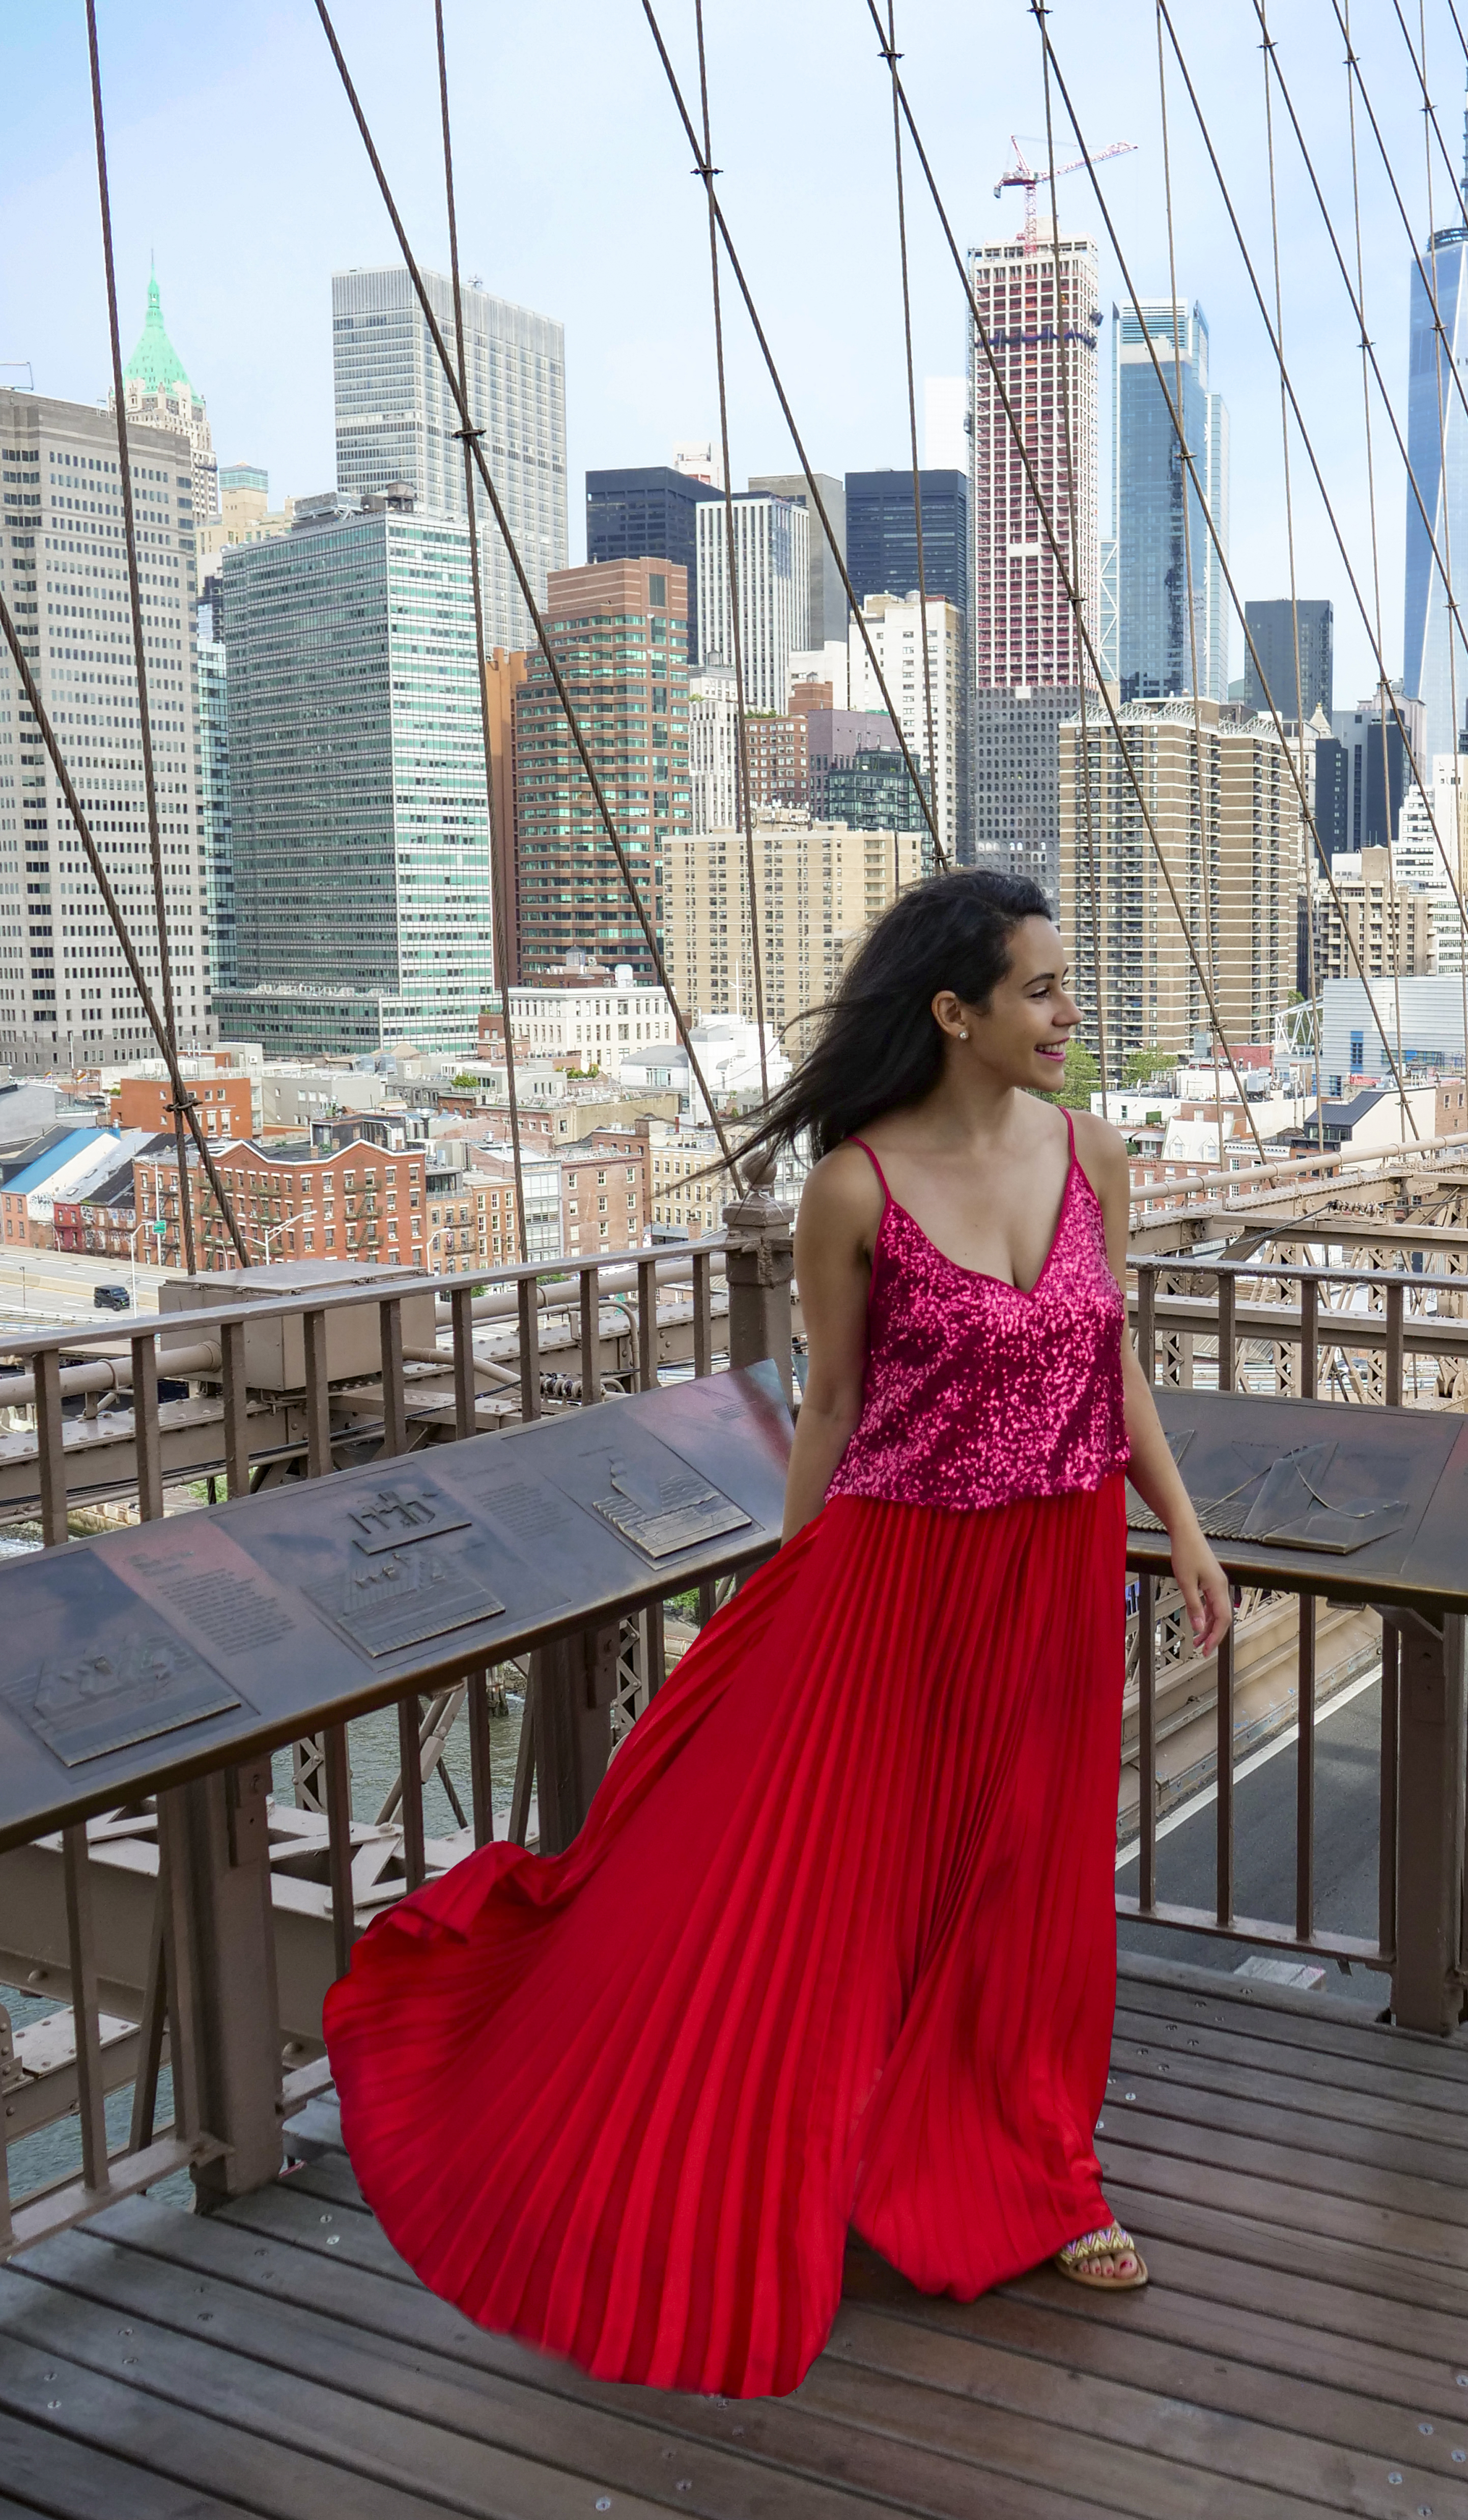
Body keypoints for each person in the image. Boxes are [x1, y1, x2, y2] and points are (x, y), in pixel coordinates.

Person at [323, 869, 1230, 2400]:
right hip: (894, 1579)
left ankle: (1042, 2176)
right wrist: (792, 1598)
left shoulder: (1097, 1153)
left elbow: (1111, 1359)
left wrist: (1186, 1538)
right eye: (1044, 992)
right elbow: (828, 1408)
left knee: (1036, 1884)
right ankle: (859, 2146)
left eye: (1069, 988)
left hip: (1060, 1565)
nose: (1073, 1016)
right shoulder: (856, 1188)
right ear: (958, 1015)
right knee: (853, 1886)